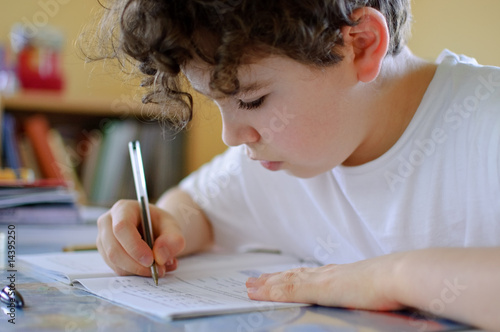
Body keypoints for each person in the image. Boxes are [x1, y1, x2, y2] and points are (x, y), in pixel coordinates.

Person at [88, 1, 500, 330]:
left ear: (360, 44)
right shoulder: (281, 157)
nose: (231, 136)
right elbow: (199, 207)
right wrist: (162, 225)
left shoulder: (485, 124)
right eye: (218, 103)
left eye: (252, 101)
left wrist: (386, 278)